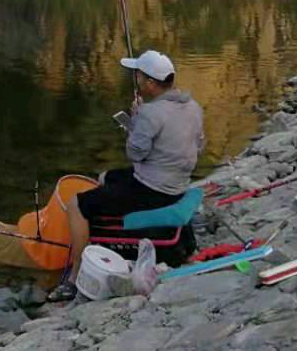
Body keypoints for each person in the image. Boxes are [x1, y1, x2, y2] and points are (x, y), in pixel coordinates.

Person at [47, 49, 205, 302]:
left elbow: (135, 153)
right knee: (104, 177)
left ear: (152, 83)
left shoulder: (151, 113)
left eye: (140, 77)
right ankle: (96, 232)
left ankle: (73, 277)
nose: (137, 82)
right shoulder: (192, 106)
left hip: (153, 190)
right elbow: (198, 146)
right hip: (176, 182)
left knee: (77, 204)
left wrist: (136, 120)